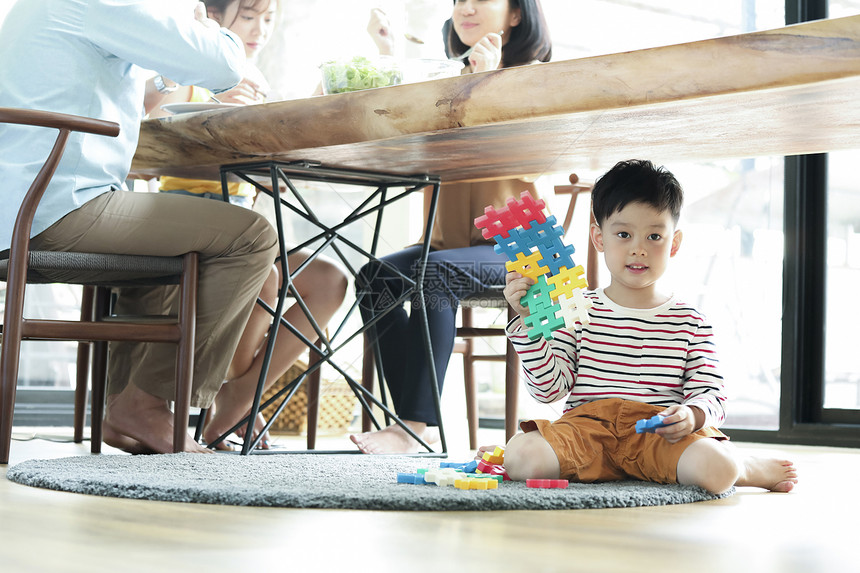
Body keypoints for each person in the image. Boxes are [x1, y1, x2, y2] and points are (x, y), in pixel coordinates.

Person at [0, 0, 279, 455]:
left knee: (162, 255)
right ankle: (145, 404)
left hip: (21, 212)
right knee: (251, 237)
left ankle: (123, 412)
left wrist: (169, 68)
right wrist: (209, 27)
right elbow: (222, 63)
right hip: (53, 211)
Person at [492, 159, 798, 494]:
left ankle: (743, 466)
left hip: (659, 435)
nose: (639, 248)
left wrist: (693, 416)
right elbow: (549, 391)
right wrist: (527, 324)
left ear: (674, 244)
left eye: (654, 236)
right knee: (521, 456)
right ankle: (710, 465)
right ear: (599, 238)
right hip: (587, 430)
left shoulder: (691, 321)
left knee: (719, 468)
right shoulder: (576, 310)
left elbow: (711, 393)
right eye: (623, 234)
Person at [351, 0, 552, 454]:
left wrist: (490, 81)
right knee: (374, 279)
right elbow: (399, 122)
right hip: (450, 246)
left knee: (434, 273)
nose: (467, 7)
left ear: (516, 14)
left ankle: (412, 427)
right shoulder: (448, 80)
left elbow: (538, 157)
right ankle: (410, 424)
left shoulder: (535, 79)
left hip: (525, 250)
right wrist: (387, 51)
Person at [147, 0, 348, 449]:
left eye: (269, 19)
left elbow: (268, 175)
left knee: (330, 281)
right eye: (249, 17)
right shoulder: (192, 78)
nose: (260, 30)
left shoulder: (255, 82)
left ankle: (239, 396)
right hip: (184, 226)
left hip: (245, 231)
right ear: (214, 20)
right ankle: (230, 401)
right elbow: (155, 129)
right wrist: (217, 109)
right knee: (266, 276)